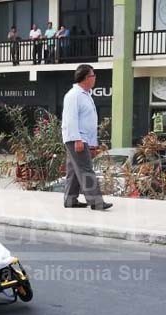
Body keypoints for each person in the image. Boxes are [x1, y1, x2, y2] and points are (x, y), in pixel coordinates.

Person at [61, 64, 112, 211]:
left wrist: (91, 142)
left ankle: (70, 200)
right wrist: (77, 139)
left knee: (74, 170)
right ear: (85, 78)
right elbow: (71, 119)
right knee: (86, 169)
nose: (95, 78)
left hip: (82, 139)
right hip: (77, 139)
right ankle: (96, 202)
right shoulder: (74, 95)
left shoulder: (85, 95)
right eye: (93, 75)